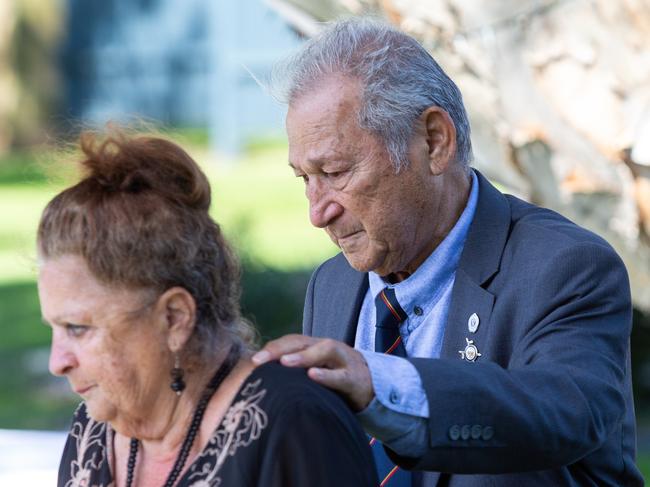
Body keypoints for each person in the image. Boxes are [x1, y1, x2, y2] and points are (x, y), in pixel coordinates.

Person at [252, 18, 644, 486]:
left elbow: (568, 412)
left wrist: (379, 383)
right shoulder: (333, 284)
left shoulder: (566, 266)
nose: (318, 212)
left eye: (335, 172)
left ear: (434, 141)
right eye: (304, 179)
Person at [37, 131, 378, 487]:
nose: (57, 361)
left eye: (77, 328)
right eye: (55, 328)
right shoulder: (93, 431)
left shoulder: (295, 424)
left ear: (174, 319)